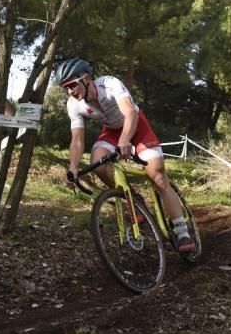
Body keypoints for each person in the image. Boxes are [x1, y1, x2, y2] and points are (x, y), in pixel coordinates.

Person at [56, 58, 195, 253]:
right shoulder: (74, 104)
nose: (70, 91)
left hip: (137, 126)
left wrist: (125, 140)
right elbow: (77, 140)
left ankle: (182, 232)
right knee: (97, 162)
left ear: (86, 78)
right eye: (65, 88)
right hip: (112, 132)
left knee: (157, 175)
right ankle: (134, 199)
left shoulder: (109, 84)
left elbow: (130, 113)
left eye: (71, 85)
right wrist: (72, 167)